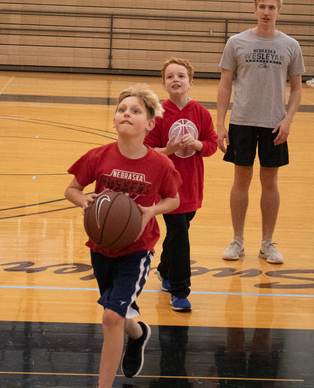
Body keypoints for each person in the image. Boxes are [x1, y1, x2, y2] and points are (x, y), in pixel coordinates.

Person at [64, 84, 181, 388]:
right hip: (101, 246)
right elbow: (72, 189)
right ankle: (139, 334)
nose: (127, 114)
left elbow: (174, 200)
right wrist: (83, 201)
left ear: (150, 124)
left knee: (111, 318)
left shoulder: (160, 164)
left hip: (137, 250)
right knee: (118, 314)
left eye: (136, 111)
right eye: (122, 110)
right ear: (114, 121)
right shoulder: (98, 156)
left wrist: (150, 211)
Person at [216, 0, 305, 264]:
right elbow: (225, 84)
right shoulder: (236, 42)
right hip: (241, 122)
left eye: (272, 7)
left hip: (273, 125)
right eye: (262, 6)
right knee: (240, 180)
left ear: (279, 12)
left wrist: (287, 120)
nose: (267, 11)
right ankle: (237, 241)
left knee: (270, 182)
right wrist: (220, 124)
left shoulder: (291, 45)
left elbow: (298, 89)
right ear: (255, 10)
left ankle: (267, 243)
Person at [144, 57, 217, 312]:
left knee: (180, 230)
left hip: (193, 185)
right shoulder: (158, 114)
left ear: (190, 83)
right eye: (170, 76)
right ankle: (180, 290)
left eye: (181, 76)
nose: (176, 79)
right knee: (179, 234)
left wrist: (197, 145)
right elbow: (148, 150)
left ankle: (164, 269)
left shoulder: (201, 113)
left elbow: (212, 145)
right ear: (163, 84)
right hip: (168, 187)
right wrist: (169, 149)